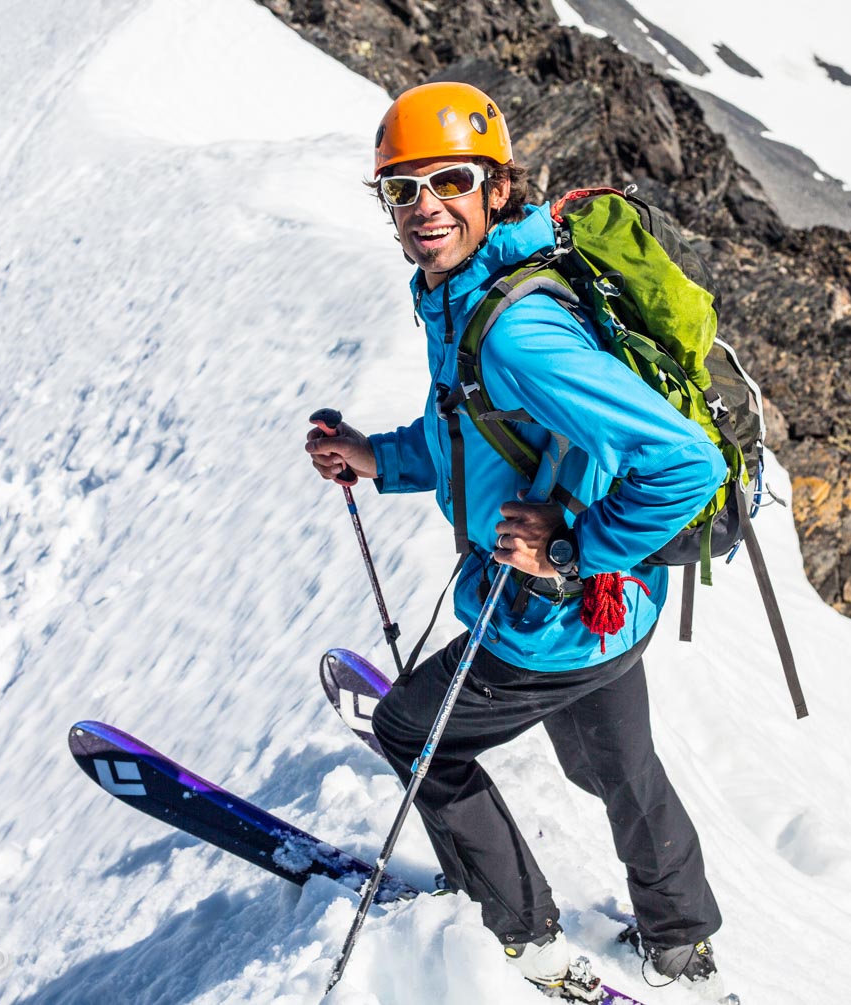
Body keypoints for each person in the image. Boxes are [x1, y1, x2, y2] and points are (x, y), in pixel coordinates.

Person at [304, 81, 726, 990]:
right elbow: (473, 441)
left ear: (495, 187)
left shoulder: (515, 330)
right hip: (617, 610)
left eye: (447, 181)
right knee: (616, 767)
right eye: (401, 189)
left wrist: (571, 547)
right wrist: (376, 456)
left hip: (554, 615)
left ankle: (521, 933)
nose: (424, 208)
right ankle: (679, 935)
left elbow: (688, 464)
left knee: (416, 732)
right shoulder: (473, 293)